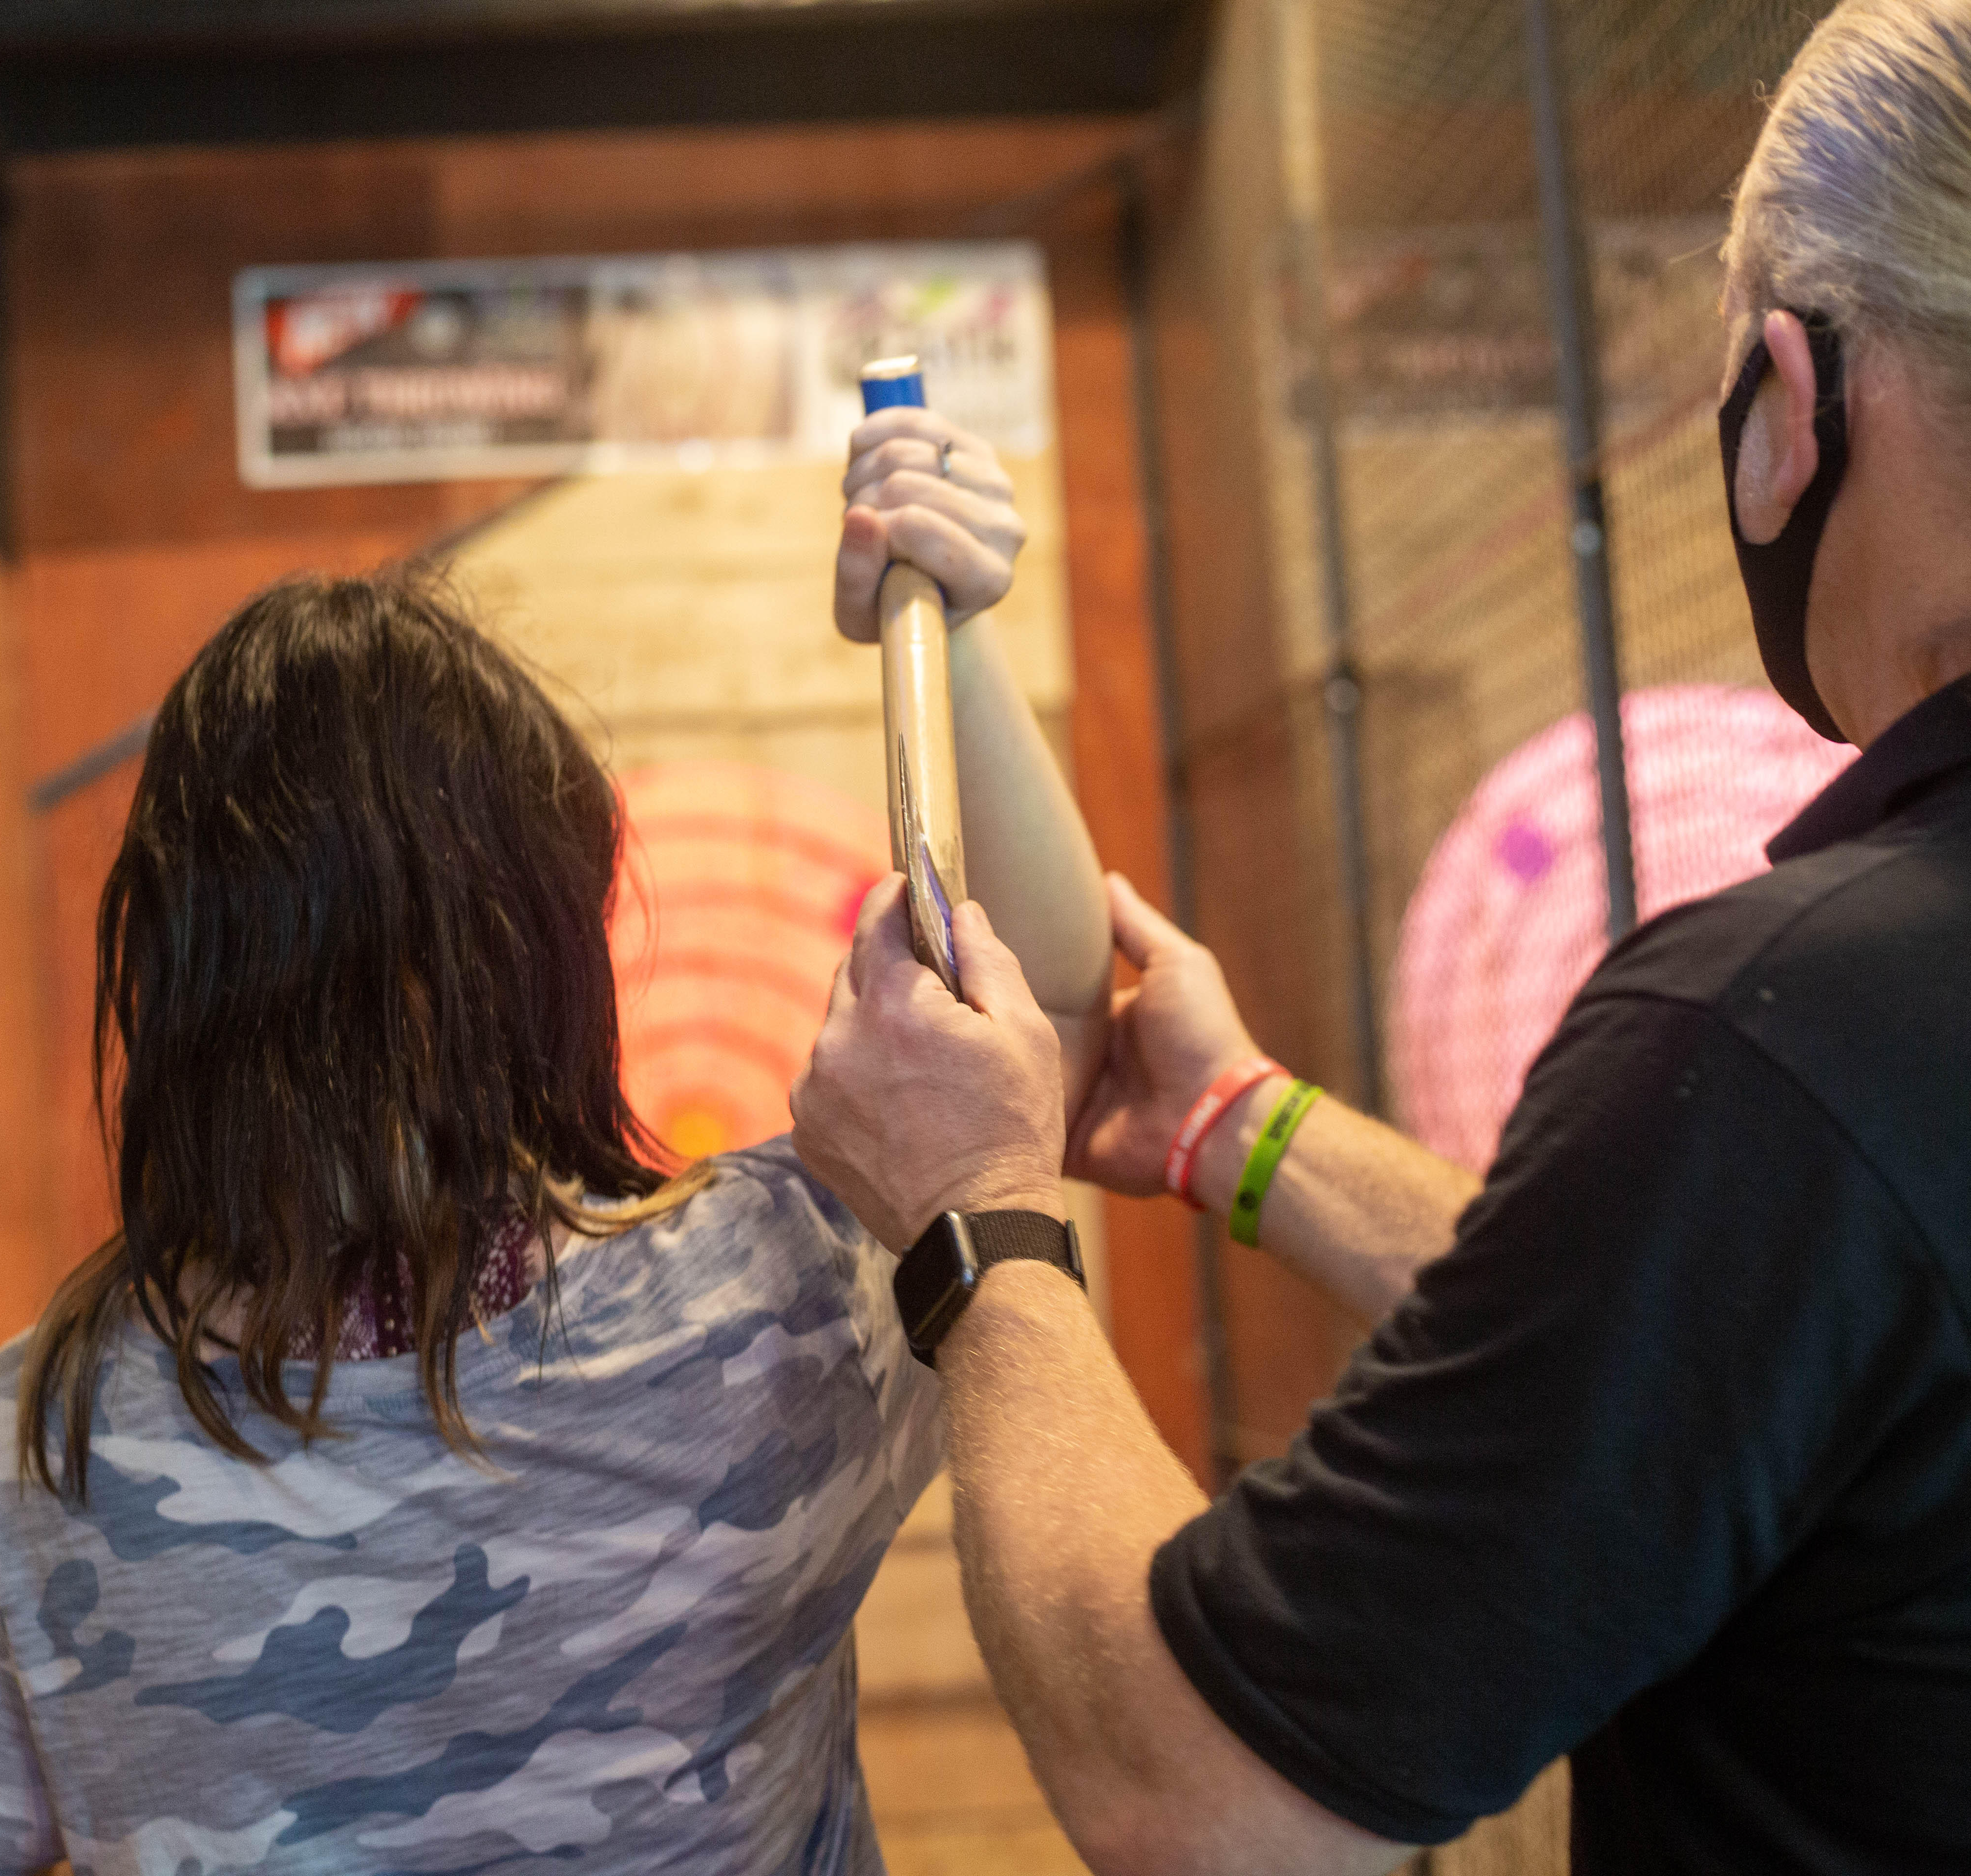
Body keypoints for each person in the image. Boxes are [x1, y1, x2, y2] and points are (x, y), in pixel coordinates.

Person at [790, 6, 1971, 1872]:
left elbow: (1206, 1798)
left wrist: (974, 1216)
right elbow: (1698, 1348)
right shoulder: (1818, 1085)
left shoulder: (1791, 1031)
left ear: (1787, 404)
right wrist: (1236, 1125)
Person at [0, 521, 1106, 1874]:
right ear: (535, 955)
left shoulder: (21, 1451)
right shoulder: (776, 1298)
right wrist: (951, 628)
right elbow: (1048, 1030)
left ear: (175, 972)